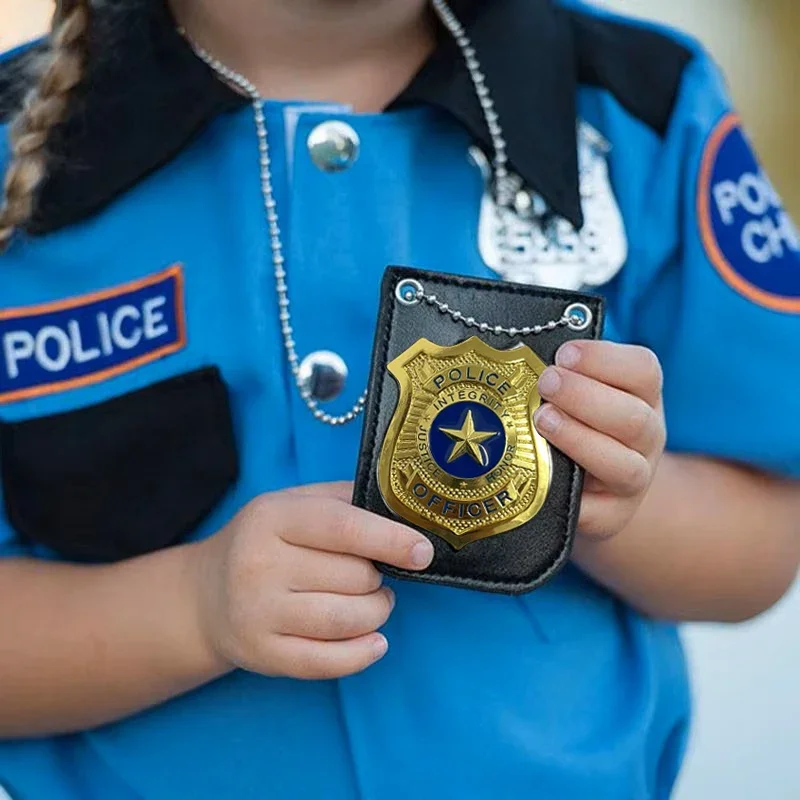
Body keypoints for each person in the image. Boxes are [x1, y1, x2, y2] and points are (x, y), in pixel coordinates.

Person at [0, 0, 798, 797]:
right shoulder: (17, 151)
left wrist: (617, 505)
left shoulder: (642, 104)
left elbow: (766, 534)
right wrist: (191, 608)